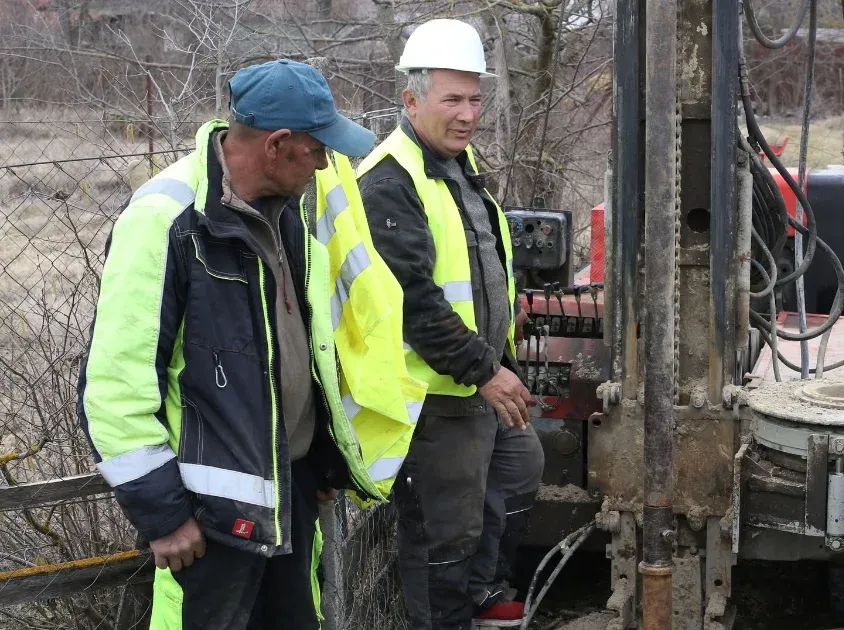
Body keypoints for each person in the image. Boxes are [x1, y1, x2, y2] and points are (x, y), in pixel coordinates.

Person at [77, 59, 385, 628]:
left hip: (286, 495)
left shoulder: (287, 211)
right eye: (318, 148)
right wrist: (163, 515)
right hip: (209, 519)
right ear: (277, 144)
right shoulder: (164, 219)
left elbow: (299, 351)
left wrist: (319, 463)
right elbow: (114, 387)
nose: (325, 162)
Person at [356, 18, 545, 630]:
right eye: (452, 100)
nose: (468, 113)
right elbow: (413, 301)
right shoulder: (390, 180)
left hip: (478, 380)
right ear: (411, 101)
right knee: (445, 538)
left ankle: (484, 595)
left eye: (475, 98)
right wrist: (484, 370)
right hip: (435, 397)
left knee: (520, 470)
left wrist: (502, 355)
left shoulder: (455, 166)